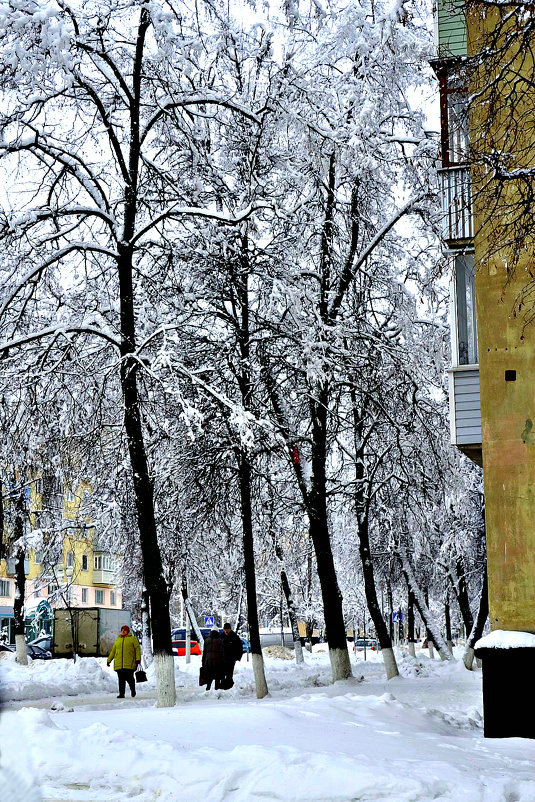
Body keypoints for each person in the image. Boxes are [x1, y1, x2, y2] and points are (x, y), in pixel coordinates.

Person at [107, 624, 141, 699]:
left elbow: (137, 649)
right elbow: (113, 651)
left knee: (129, 678)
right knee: (121, 680)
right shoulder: (118, 639)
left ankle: (133, 690)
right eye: (122, 630)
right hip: (119, 663)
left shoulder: (133, 639)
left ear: (127, 631)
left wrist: (138, 659)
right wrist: (109, 660)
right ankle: (121, 694)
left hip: (129, 663)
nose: (123, 631)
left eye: (124, 630)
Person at [221, 622, 243, 689]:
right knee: (222, 673)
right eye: (225, 629)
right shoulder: (221, 636)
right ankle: (224, 686)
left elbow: (240, 648)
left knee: (229, 673)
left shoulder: (235, 637)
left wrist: (237, 657)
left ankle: (229, 686)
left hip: (231, 659)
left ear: (230, 629)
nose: (226, 631)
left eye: (227, 629)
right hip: (223, 659)